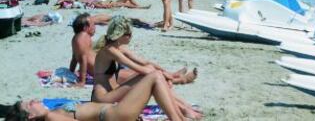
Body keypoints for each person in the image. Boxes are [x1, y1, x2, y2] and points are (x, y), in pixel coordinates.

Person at [92, 16, 201, 119]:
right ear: (120, 35)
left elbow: (146, 63)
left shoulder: (118, 48)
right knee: (152, 76)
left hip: (113, 93)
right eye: (128, 34)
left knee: (153, 74)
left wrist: (166, 74)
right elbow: (139, 69)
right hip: (102, 98)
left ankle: (182, 111)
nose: (130, 36)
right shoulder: (109, 50)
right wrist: (167, 77)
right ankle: (180, 109)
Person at [6, 70, 188, 121]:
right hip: (115, 116)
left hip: (115, 113)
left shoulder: (52, 114)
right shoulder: (53, 117)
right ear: (30, 116)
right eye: (30, 103)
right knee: (153, 77)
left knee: (151, 78)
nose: (35, 100)